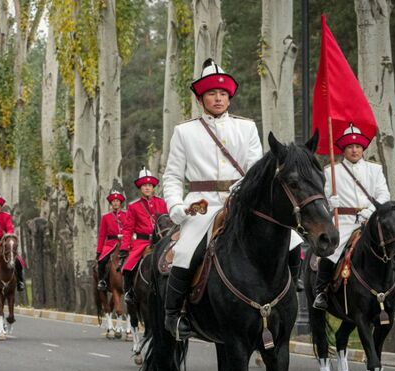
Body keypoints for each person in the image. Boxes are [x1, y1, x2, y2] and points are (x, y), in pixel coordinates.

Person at [162, 59, 293, 341]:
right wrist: (176, 206)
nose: (218, 98)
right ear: (201, 99)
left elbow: (255, 170)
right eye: (211, 93)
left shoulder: (246, 128)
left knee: (292, 241)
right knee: (185, 252)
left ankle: (287, 301)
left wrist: (247, 197)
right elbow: (172, 176)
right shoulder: (184, 131)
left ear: (229, 97)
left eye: (222, 94)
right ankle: (175, 315)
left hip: (241, 202)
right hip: (202, 204)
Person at [313, 123, 391, 310]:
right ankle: (321, 291)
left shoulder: (375, 169)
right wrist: (331, 203)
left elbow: (384, 195)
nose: (354, 150)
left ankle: (393, 293)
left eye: (357, 147)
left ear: (363, 148)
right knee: (332, 250)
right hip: (344, 221)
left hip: (370, 219)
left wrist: (369, 211)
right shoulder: (332, 171)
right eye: (350, 147)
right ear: (344, 150)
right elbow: (322, 199)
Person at [119, 168, 168, 305]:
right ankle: (129, 292)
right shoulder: (133, 206)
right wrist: (124, 247)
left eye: (150, 185)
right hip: (142, 242)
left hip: (161, 241)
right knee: (128, 266)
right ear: (141, 188)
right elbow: (128, 229)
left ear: (153, 188)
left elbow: (168, 222)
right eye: (144, 186)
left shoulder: (162, 203)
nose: (147, 188)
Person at [96, 190, 127, 291]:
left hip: (124, 243)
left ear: (120, 203)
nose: (115, 203)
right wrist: (99, 251)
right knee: (102, 261)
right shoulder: (106, 217)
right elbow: (102, 235)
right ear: (111, 203)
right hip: (110, 244)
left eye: (117, 201)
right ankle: (102, 281)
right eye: (113, 201)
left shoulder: (126, 215)